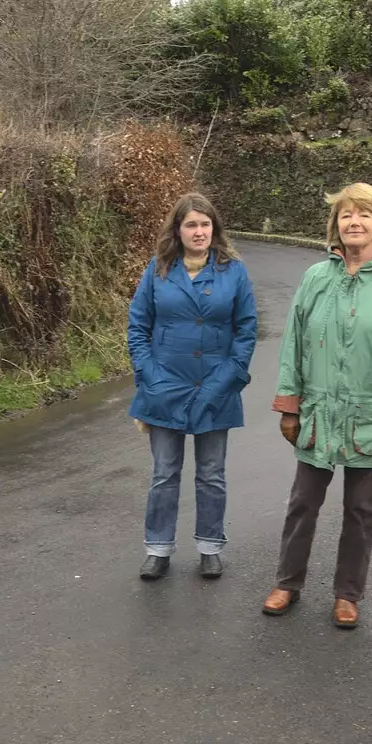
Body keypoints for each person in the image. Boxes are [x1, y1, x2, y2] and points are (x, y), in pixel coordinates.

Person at [262, 183, 372, 628]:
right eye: (345, 214)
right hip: (319, 412)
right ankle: (287, 582)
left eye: (364, 215)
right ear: (335, 225)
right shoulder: (316, 278)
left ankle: (347, 593)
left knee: (361, 511)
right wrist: (290, 406)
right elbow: (294, 344)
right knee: (302, 503)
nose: (354, 222)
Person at [126, 192, 258, 580]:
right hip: (163, 386)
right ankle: (158, 548)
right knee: (164, 473)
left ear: (214, 228)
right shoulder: (159, 269)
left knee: (211, 474)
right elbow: (138, 327)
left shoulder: (233, 270)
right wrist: (150, 377)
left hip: (217, 386)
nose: (199, 231)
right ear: (178, 230)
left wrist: (226, 381)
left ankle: (210, 547)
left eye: (205, 224)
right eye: (191, 225)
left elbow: (246, 331)